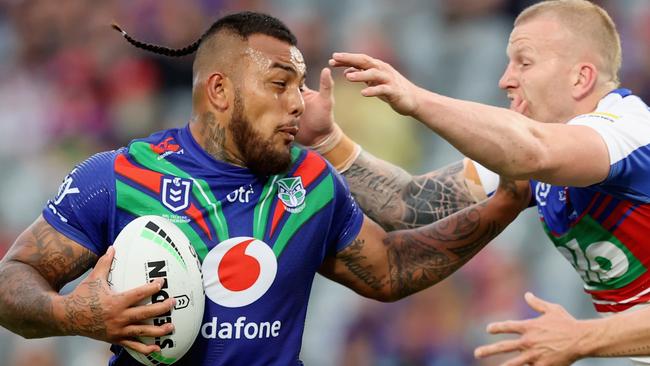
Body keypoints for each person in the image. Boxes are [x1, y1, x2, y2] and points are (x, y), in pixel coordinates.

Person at [0, 11, 530, 366]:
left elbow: (389, 270)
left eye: (299, 86)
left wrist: (507, 201)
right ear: (220, 90)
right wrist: (72, 315)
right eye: (280, 84)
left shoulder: (311, 181)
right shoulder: (117, 177)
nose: (298, 102)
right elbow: (13, 280)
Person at [297, 0, 650, 365]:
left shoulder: (630, 134)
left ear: (581, 77)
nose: (505, 79)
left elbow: (534, 151)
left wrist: (415, 98)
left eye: (524, 62)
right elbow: (412, 204)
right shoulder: (538, 151)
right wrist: (328, 141)